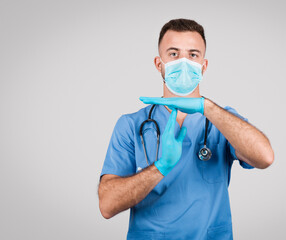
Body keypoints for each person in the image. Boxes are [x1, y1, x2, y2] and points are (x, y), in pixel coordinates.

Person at [98, 18, 274, 240]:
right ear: (158, 63)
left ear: (204, 65)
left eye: (193, 55)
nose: (183, 62)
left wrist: (206, 106)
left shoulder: (222, 121)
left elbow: (265, 157)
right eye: (173, 54)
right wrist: (160, 167)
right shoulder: (131, 125)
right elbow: (107, 205)